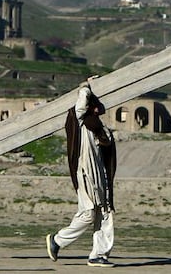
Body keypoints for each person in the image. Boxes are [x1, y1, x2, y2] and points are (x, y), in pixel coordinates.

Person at [46, 78, 117, 268]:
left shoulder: (100, 131)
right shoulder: (79, 123)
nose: (97, 111)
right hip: (85, 174)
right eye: (94, 108)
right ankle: (57, 240)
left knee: (105, 213)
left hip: (100, 179)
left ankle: (99, 254)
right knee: (88, 214)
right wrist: (86, 85)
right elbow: (82, 99)